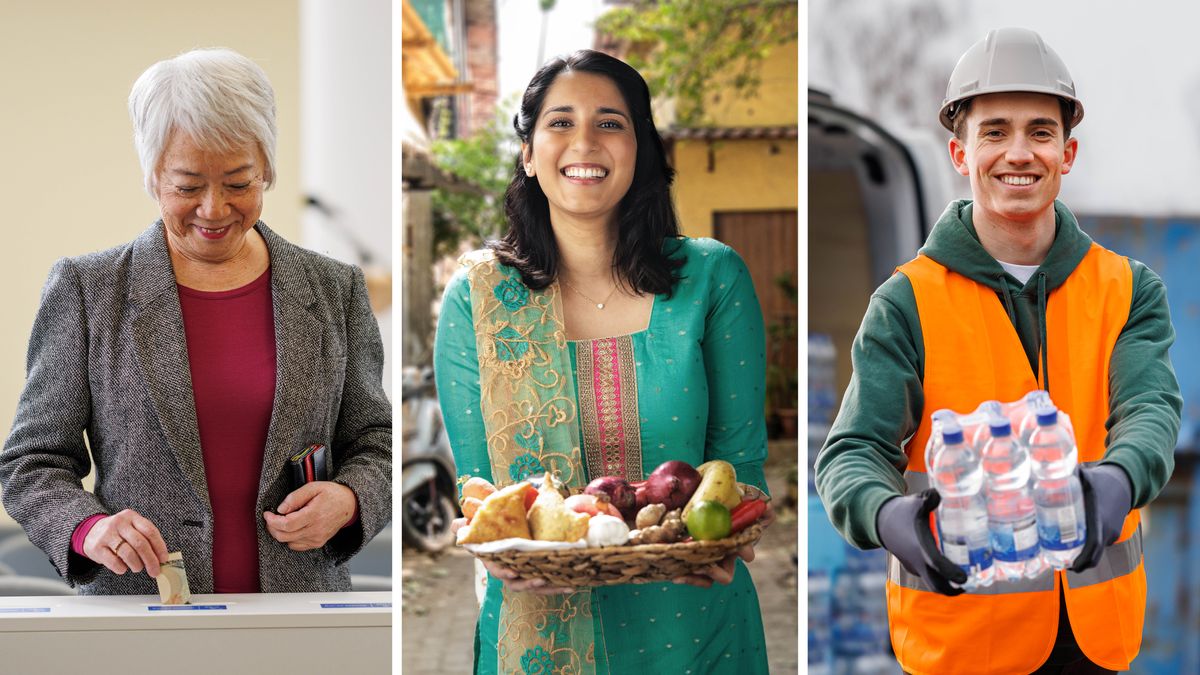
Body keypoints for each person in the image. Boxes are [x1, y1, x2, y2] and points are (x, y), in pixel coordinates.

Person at [816, 27, 1180, 675]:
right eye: (995, 131)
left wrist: (1121, 476)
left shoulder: (1127, 289)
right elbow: (852, 452)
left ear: (1067, 153)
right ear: (960, 152)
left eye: (1041, 132)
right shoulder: (906, 302)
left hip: (1096, 642)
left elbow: (1150, 411)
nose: (1019, 152)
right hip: (961, 643)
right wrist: (885, 512)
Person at [0, 48, 391, 595]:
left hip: (301, 617)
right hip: (141, 615)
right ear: (152, 175)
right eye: (187, 186)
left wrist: (351, 499)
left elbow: (376, 442)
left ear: (267, 171)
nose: (213, 209)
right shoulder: (88, 291)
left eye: (238, 183)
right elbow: (31, 463)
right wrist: (89, 529)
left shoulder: (334, 289)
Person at [434, 49, 773, 674]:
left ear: (641, 150)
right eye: (560, 122)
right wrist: (500, 555)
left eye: (611, 123)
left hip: (692, 629)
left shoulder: (710, 278)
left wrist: (730, 536)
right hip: (539, 631)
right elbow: (481, 496)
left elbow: (741, 464)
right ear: (529, 154)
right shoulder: (480, 298)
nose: (584, 141)